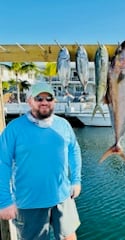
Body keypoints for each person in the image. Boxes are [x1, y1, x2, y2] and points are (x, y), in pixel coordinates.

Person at [0, 82, 82, 240]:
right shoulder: (14, 129)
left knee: (70, 237)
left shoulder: (64, 125)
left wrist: (76, 180)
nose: (44, 101)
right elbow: (2, 163)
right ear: (29, 101)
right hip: (29, 202)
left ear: (54, 101)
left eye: (48, 98)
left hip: (63, 197)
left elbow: (74, 150)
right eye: (39, 98)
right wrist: (4, 201)